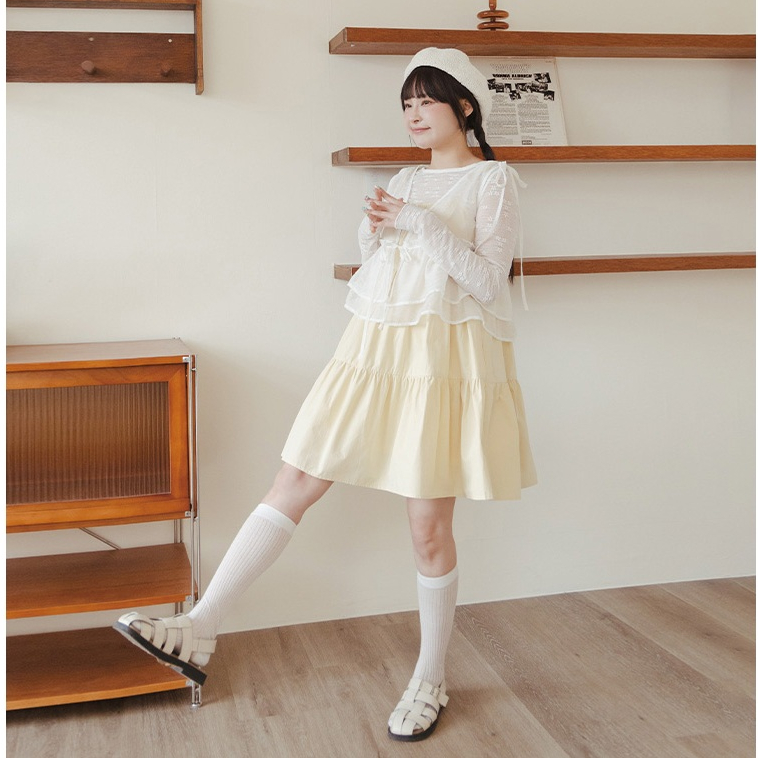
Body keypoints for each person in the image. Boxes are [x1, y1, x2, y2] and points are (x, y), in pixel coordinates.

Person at [114, 47, 537, 743]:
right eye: (406, 103)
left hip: (443, 365)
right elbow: (385, 273)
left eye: (426, 101)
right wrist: (375, 231)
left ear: (464, 106)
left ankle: (431, 677)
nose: (413, 114)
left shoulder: (493, 180)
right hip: (372, 353)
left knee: (427, 527)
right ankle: (200, 626)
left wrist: (419, 223)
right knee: (295, 478)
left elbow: (489, 284)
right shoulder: (405, 177)